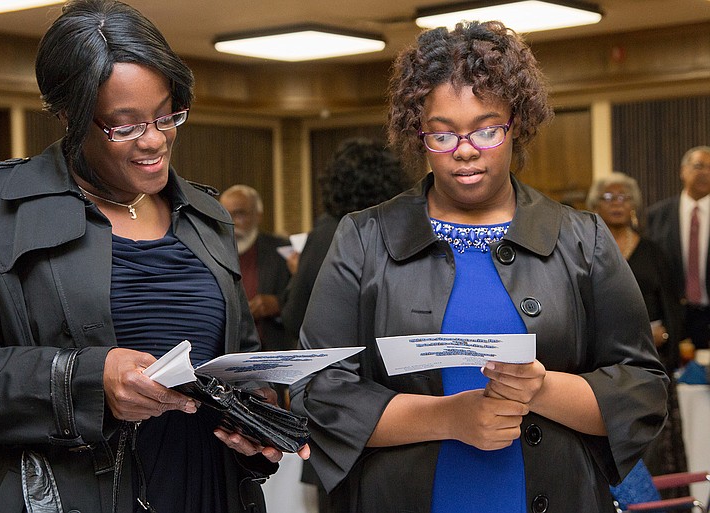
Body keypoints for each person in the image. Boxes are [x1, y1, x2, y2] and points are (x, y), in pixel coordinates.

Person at [0, 2, 308, 513]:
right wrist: (88, 378)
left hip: (207, 491)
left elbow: (237, 358)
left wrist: (257, 415)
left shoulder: (206, 214)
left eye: (167, 115)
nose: (155, 140)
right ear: (70, 115)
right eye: (124, 126)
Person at [290, 21, 668, 513]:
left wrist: (542, 387)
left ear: (518, 123)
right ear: (417, 134)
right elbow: (317, 391)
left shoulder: (583, 240)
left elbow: (642, 392)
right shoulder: (365, 240)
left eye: (487, 129)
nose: (465, 149)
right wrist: (449, 417)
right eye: (441, 134)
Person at [587, 172, 688, 493]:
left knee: (657, 449)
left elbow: (673, 310)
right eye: (608, 197)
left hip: (651, 364)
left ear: (633, 206)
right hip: (598, 367)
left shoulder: (654, 253)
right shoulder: (585, 250)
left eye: (623, 197)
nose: (617, 204)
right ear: (594, 205)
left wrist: (667, 338)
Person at [281, 137, 409, 343]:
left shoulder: (327, 233)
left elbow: (294, 317)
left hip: (340, 360)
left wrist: (297, 274)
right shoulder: (402, 229)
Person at [647, 146, 710, 350]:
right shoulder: (657, 215)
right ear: (683, 171)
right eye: (699, 166)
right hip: (671, 317)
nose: (705, 173)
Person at [219, 185, 292, 352]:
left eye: (239, 213)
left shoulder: (281, 250)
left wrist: (277, 305)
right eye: (224, 214)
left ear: (258, 216)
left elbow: (302, 299)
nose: (231, 221)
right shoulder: (210, 251)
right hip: (226, 351)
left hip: (273, 349)